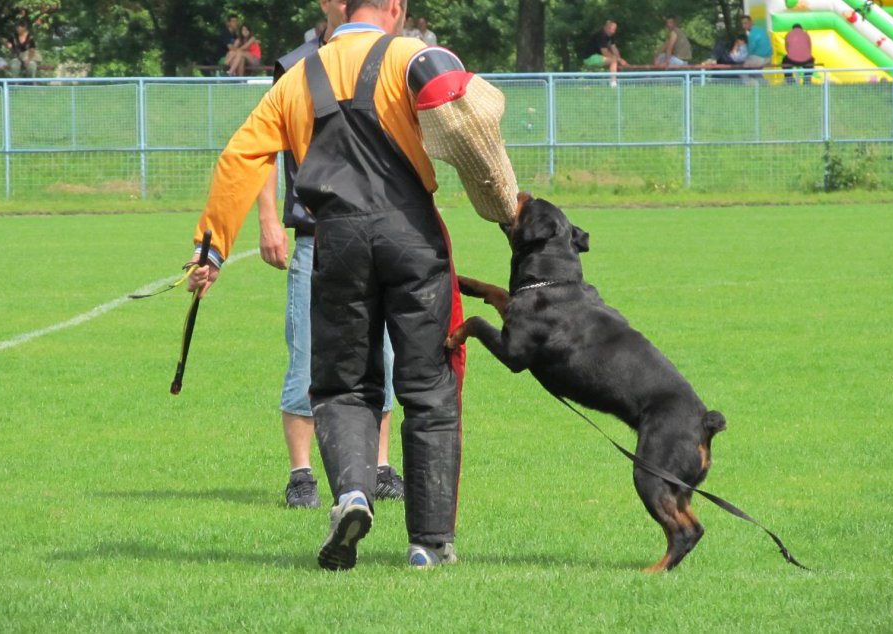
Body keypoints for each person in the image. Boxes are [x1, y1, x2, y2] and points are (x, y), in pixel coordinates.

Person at [185, 0, 518, 569]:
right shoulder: (412, 55)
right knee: (428, 387)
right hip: (409, 233)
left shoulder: (294, 79)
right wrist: (506, 207)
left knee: (341, 386)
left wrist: (211, 248)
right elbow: (467, 116)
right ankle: (429, 544)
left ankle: (353, 496)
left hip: (334, 241)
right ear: (395, 7)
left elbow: (241, 157)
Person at [257, 0, 405, 509]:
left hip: (377, 233)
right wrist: (269, 218)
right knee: (306, 357)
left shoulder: (387, 58)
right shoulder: (296, 63)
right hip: (315, 234)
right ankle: (302, 475)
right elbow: (262, 149)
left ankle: (381, 466)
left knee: (382, 354)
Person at [583, 19, 627, 87]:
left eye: (614, 29)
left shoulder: (611, 36)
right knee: (613, 61)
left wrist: (620, 59)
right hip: (590, 57)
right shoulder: (601, 35)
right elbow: (605, 52)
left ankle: (613, 81)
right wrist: (618, 59)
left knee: (616, 63)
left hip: (599, 57)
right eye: (611, 29)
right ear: (606, 27)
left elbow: (614, 48)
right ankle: (613, 84)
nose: (613, 31)